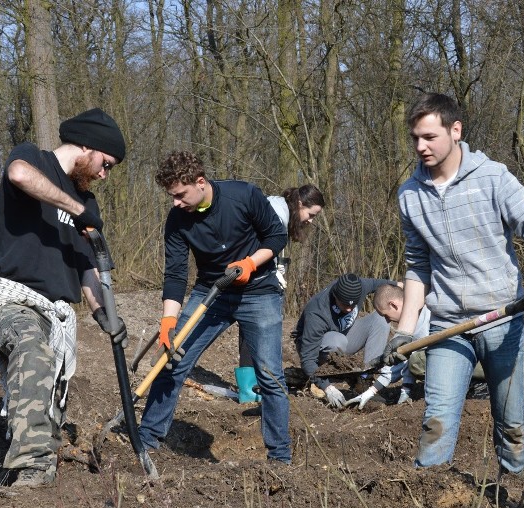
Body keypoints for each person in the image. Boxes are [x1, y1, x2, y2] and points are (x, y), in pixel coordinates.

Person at [382, 92, 524, 473]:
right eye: (415, 137)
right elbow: (418, 266)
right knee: (436, 421)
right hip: (448, 323)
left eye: (430, 137)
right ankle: (427, 501)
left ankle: (512, 499)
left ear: (455, 130)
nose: (421, 146)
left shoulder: (492, 178)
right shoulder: (410, 196)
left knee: (511, 424)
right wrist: (403, 331)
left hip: (501, 318)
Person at [0, 108, 128, 491]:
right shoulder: (33, 158)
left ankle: (35, 475)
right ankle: (30, 471)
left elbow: (85, 266)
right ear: (86, 146)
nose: (103, 174)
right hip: (11, 299)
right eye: (105, 164)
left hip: (56, 314)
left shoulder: (87, 203)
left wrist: (104, 314)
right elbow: (19, 175)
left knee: (49, 403)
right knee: (31, 350)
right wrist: (76, 209)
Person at [138, 150, 291, 464]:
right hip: (211, 292)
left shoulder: (243, 196)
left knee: (271, 376)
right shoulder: (177, 220)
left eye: (180, 195)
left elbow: (277, 236)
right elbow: (176, 272)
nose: (175, 203)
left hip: (259, 292)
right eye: (171, 197)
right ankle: (147, 442)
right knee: (172, 361)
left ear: (200, 182)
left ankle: (280, 458)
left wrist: (250, 263)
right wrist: (169, 321)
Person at [236, 185, 325, 373]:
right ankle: (258, 383)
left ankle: (250, 384)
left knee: (250, 328)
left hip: (253, 273)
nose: (310, 221)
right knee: (259, 329)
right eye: (311, 215)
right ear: (300, 204)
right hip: (251, 276)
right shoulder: (277, 213)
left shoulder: (280, 207)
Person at [372, 283, 486, 405]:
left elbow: (410, 360)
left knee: (418, 362)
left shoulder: (429, 313)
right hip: (461, 357)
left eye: (385, 315)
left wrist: (405, 388)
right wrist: (372, 391)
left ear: (393, 305)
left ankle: (480, 382)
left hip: (476, 358)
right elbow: (401, 362)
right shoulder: (408, 328)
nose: (387, 320)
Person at [292, 273, 394, 409]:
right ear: (335, 295)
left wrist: (404, 287)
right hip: (316, 346)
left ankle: (364, 380)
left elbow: (386, 285)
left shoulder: (359, 285)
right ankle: (322, 377)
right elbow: (307, 358)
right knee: (337, 340)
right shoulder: (317, 312)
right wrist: (327, 388)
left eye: (352, 305)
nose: (349, 309)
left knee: (381, 319)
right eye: (344, 304)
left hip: (344, 335)